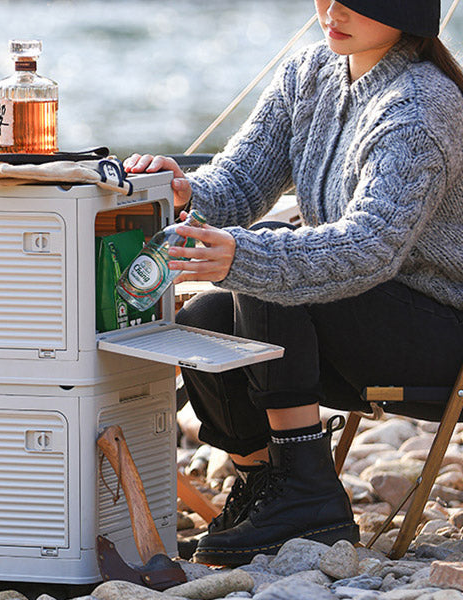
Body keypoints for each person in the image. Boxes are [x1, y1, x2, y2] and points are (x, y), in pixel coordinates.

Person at [124, 0, 463, 566]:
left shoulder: (422, 105)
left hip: (436, 339)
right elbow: (238, 186)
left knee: (265, 273)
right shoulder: (308, 75)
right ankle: (266, 484)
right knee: (203, 323)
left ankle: (309, 489)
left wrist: (247, 255)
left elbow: (371, 246)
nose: (331, 9)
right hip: (354, 321)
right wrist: (185, 191)